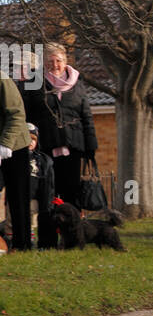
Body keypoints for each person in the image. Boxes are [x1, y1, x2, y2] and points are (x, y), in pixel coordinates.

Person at [24, 41, 98, 206]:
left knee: (71, 192)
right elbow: (26, 116)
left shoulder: (77, 85)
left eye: (58, 61)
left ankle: (71, 230)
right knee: (48, 193)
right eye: (50, 61)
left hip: (73, 147)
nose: (55, 65)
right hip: (45, 147)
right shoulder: (35, 83)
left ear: (65, 61)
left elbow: (86, 116)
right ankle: (48, 230)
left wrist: (91, 146)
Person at [0, 72, 31, 250]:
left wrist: (5, 145)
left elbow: (17, 114)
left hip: (15, 146)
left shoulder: (2, 80)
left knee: (18, 197)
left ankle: (22, 244)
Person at [26, 124, 57, 249]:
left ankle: (37, 243)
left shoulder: (44, 160)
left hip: (39, 198)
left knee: (34, 221)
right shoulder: (16, 158)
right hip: (23, 197)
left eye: (33, 139)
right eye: (27, 138)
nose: (30, 142)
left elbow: (50, 182)